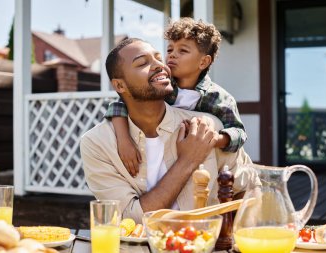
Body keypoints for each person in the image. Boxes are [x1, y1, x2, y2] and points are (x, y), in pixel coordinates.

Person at [80, 38, 257, 223]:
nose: (159, 65)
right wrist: (188, 160)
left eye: (158, 58)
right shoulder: (97, 143)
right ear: (119, 85)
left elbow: (249, 186)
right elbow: (129, 220)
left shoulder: (205, 127)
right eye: (142, 63)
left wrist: (229, 237)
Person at [105, 17, 246, 177]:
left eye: (183, 51)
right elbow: (119, 105)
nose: (172, 55)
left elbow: (238, 132)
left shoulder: (218, 97)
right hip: (156, 159)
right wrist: (123, 140)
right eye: (170, 50)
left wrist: (215, 139)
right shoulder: (160, 85)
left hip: (199, 167)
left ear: (203, 62)